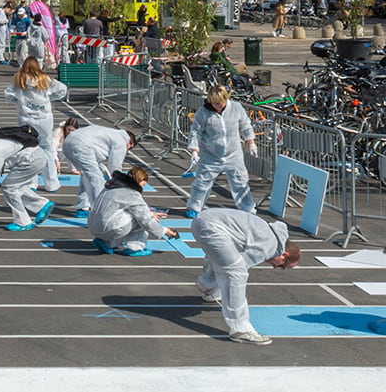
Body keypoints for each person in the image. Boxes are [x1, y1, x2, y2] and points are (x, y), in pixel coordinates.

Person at [191, 207, 301, 345]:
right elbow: (238, 266)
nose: (274, 267)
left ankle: (211, 292)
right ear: (285, 255)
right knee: (237, 272)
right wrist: (207, 282)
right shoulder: (271, 246)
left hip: (204, 219)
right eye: (281, 266)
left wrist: (209, 282)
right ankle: (241, 329)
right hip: (211, 226)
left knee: (226, 256)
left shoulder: (271, 234)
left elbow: (224, 258)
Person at [182, 85, 256, 218]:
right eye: (214, 103)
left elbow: (245, 125)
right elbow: (195, 132)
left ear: (226, 99)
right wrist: (194, 150)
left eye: (220, 103)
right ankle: (194, 206)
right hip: (210, 155)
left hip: (233, 154)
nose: (218, 106)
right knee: (201, 184)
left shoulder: (236, 108)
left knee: (241, 182)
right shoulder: (203, 112)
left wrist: (250, 141)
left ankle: (248, 209)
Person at [3, 56, 69, 192]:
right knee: (48, 149)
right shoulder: (45, 79)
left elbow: (8, 95)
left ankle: (31, 183)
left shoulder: (19, 79)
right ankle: (52, 183)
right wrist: (50, 98)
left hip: (26, 118)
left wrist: (19, 101)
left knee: (29, 149)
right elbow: (62, 89)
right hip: (44, 118)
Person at [89, 166, 176, 256]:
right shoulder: (132, 194)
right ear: (138, 182)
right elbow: (145, 219)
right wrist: (164, 231)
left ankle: (106, 242)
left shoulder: (111, 186)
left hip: (93, 225)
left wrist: (150, 213)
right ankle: (135, 248)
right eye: (143, 185)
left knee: (127, 216)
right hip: (107, 228)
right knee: (142, 219)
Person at [61, 122, 136, 219]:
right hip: (83, 146)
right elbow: (114, 167)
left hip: (68, 143)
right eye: (129, 148)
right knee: (97, 180)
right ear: (130, 142)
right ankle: (100, 212)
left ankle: (82, 208)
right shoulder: (121, 141)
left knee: (87, 176)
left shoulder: (108, 132)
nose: (127, 150)